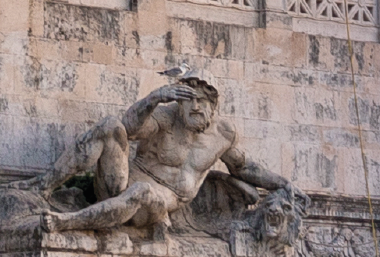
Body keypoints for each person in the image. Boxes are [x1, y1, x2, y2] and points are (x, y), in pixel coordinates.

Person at [45, 77, 297, 242]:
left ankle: (66, 222)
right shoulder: (165, 118)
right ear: (178, 103)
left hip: (154, 205)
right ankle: (42, 185)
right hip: (117, 184)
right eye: (188, 100)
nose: (194, 106)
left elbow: (244, 167)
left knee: (142, 192)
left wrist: (284, 183)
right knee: (110, 126)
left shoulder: (223, 135)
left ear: (213, 106)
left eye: (201, 101)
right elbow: (129, 130)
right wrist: (152, 99)